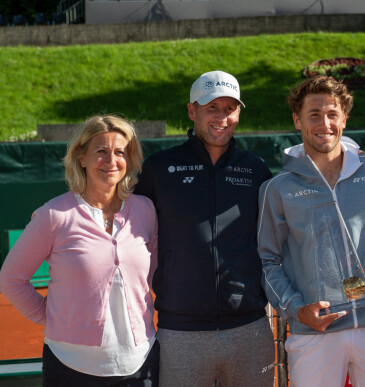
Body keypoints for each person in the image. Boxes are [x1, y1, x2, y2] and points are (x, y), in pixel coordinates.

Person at [258, 75, 365, 387]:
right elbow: (268, 261)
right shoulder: (277, 189)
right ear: (297, 120)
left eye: (332, 114)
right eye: (314, 115)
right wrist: (298, 310)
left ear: (344, 118)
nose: (324, 124)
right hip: (316, 331)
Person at [134, 70, 275, 387]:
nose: (222, 118)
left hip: (249, 327)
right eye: (212, 107)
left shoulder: (256, 169)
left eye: (230, 109)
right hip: (180, 332)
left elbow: (275, 240)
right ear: (192, 110)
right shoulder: (159, 168)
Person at [0, 115, 159, 386]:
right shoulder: (54, 215)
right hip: (69, 365)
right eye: (101, 151)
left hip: (141, 363)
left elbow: (156, 276)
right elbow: (11, 278)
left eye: (120, 152)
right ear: (81, 157)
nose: (111, 161)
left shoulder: (145, 210)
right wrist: (50, 317)